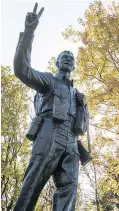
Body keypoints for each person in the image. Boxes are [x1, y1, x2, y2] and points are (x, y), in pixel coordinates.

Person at [13, 3, 91, 211]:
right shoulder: (48, 81)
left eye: (71, 58)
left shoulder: (79, 95)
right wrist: (28, 33)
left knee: (69, 187)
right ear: (57, 63)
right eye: (64, 57)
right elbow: (22, 70)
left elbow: (82, 126)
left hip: (72, 142)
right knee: (33, 181)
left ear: (74, 66)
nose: (68, 59)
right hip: (49, 132)